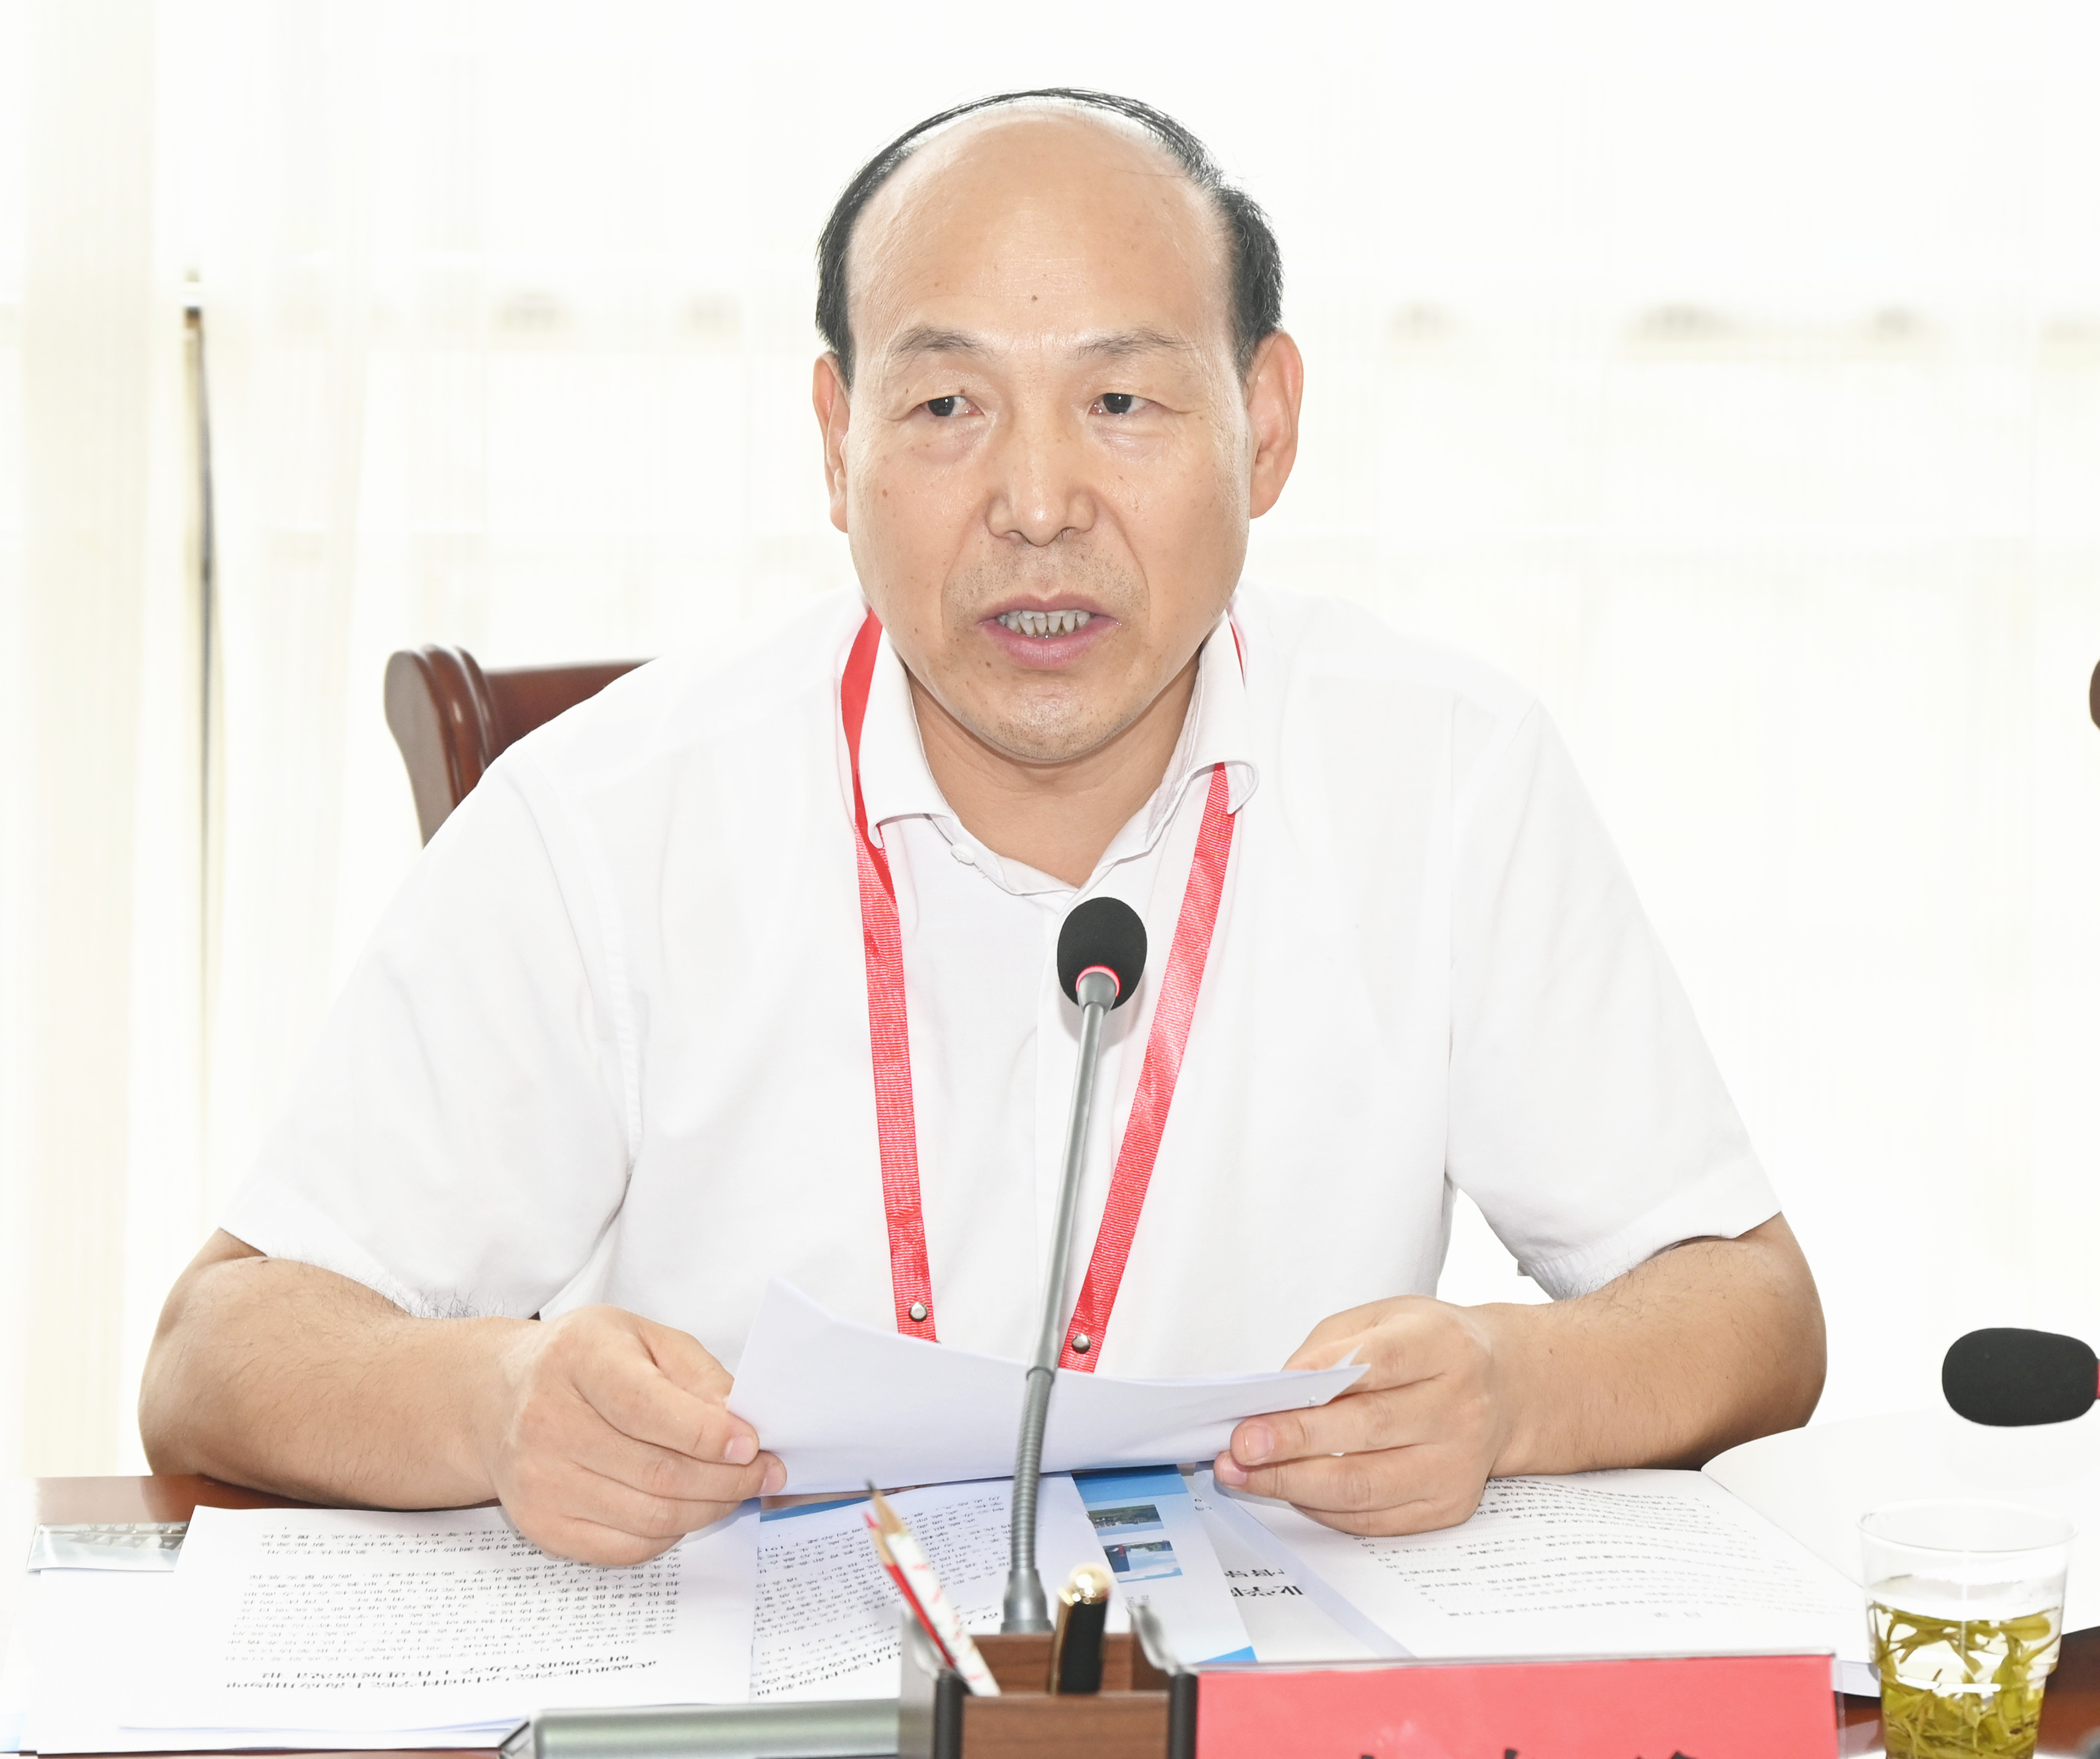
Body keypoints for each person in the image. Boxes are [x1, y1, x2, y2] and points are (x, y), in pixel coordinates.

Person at [139, 90, 1824, 1568]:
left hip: (1258, 1737)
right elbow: (218, 1349)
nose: (1035, 506)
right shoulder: (609, 810)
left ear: (1268, 422)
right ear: (836, 440)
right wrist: (499, 1400)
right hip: (767, 1731)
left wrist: (1516, 1387)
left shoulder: (1446, 773)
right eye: (948, 407)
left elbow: (1752, 1309)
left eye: (1123, 403)